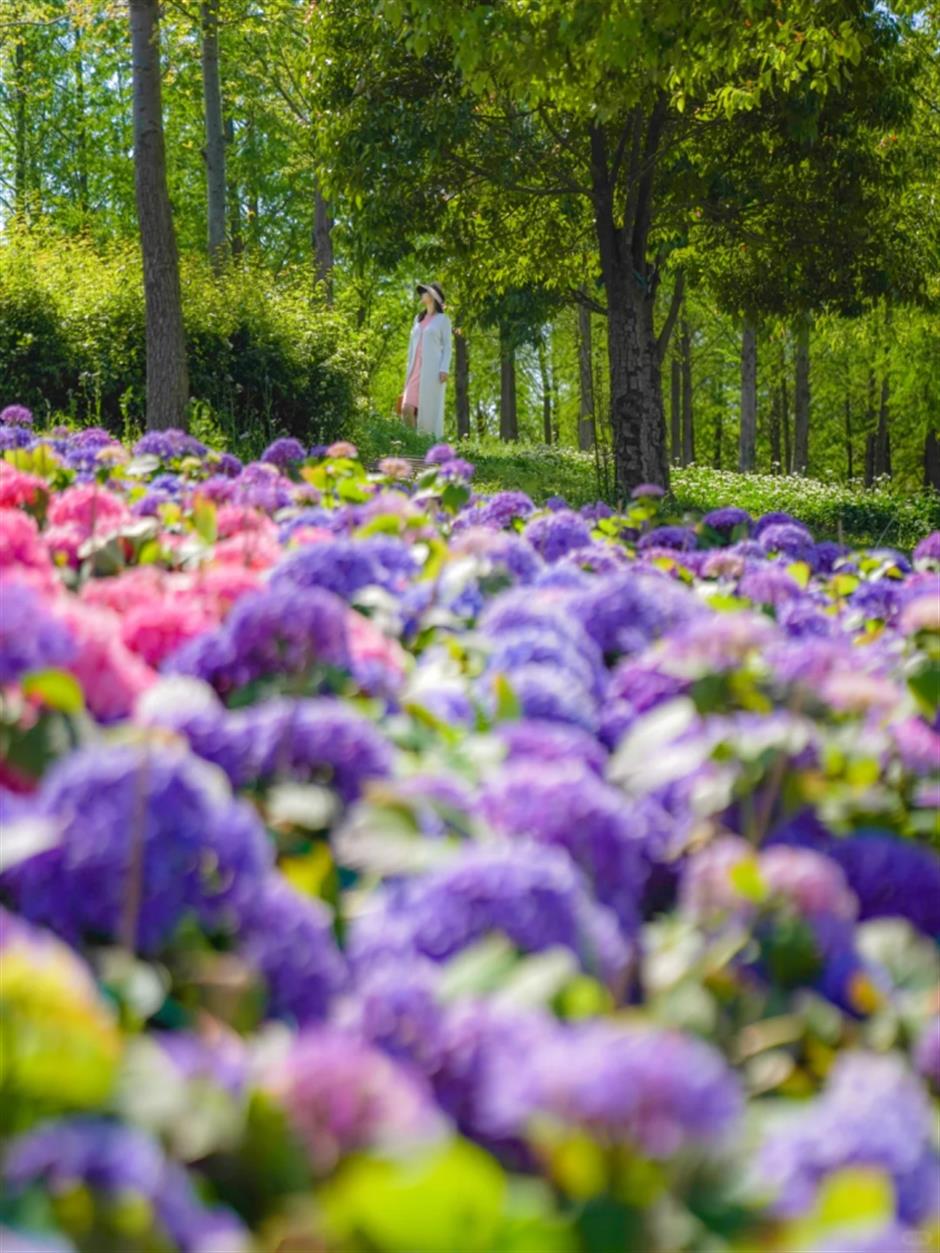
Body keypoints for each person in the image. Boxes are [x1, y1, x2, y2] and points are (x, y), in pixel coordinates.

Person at [400, 282, 452, 438]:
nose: (421, 295)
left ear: (432, 297)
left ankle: (425, 445)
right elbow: (411, 345)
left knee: (428, 410)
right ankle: (412, 443)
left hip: (432, 371)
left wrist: (444, 368)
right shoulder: (418, 318)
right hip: (414, 370)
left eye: (424, 292)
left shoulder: (443, 320)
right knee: (406, 408)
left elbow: (448, 347)